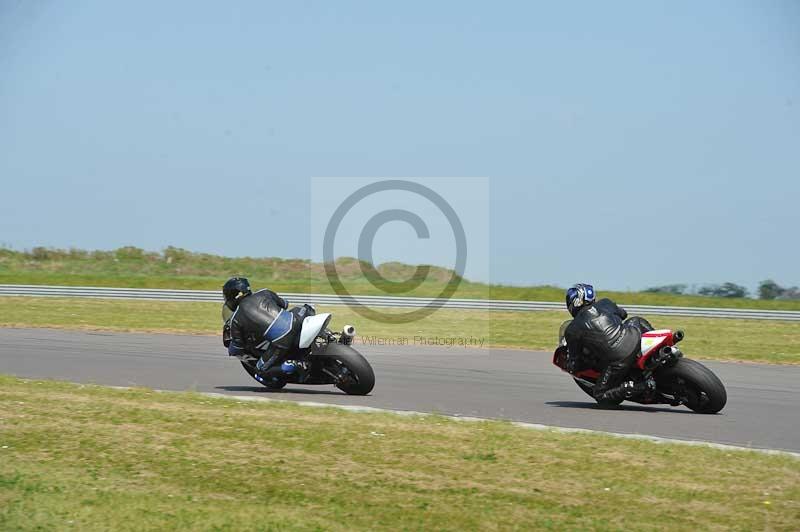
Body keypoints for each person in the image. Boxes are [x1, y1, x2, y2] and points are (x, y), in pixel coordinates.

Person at [563, 283, 655, 404]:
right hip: (634, 338)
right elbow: (624, 314)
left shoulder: (572, 330)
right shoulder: (605, 303)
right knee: (636, 320)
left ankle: (637, 386)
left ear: (574, 302)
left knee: (600, 395)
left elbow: (575, 362)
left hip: (618, 361)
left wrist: (570, 365)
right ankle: (661, 346)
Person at [221, 277, 297, 383]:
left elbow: (238, 346)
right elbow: (284, 304)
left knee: (261, 370)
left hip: (282, 339)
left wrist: (231, 350)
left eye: (227, 296)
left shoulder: (236, 319)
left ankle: (292, 365)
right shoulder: (264, 292)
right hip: (296, 320)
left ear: (234, 296)